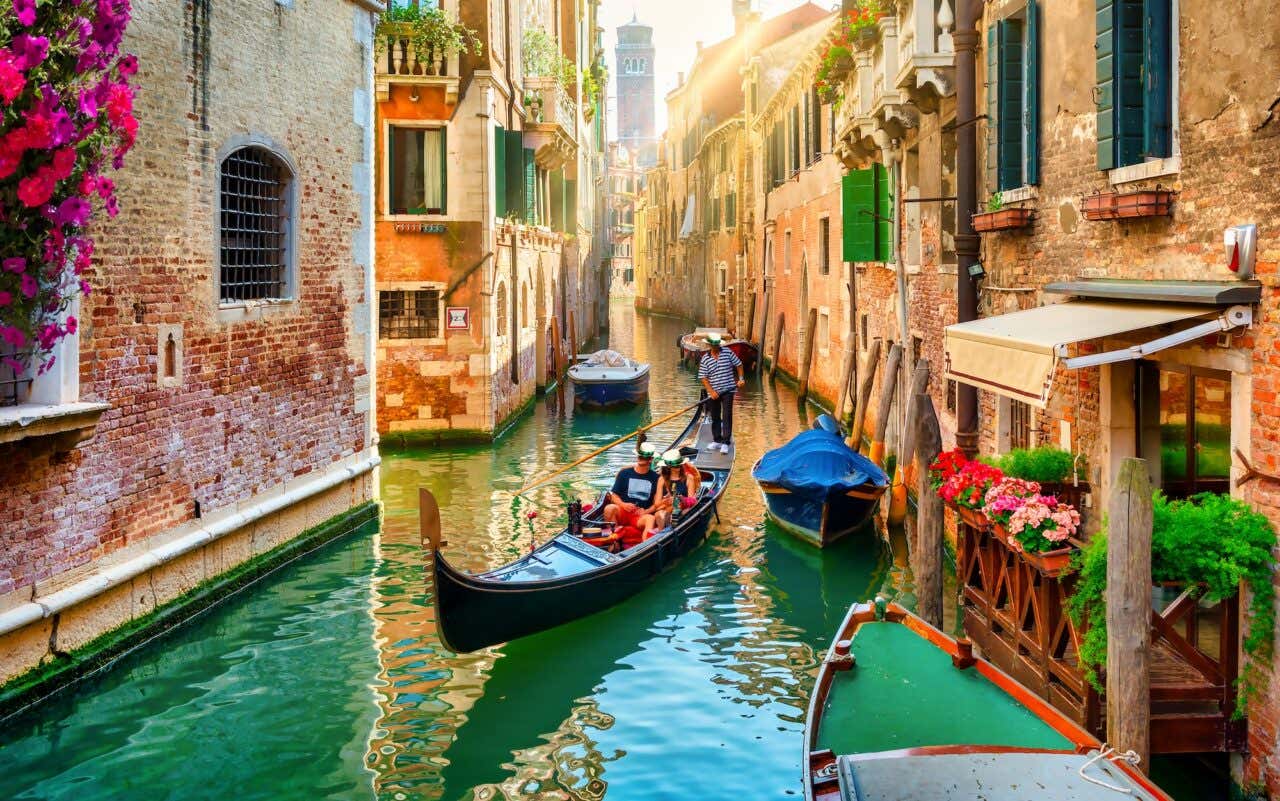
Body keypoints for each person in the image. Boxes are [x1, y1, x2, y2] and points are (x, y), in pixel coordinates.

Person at [697, 331, 745, 453]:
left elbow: (739, 365)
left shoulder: (728, 352)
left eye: (717, 345)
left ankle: (726, 442)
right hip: (713, 393)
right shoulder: (705, 358)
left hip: (728, 389)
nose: (716, 347)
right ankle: (717, 440)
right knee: (715, 416)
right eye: (713, 345)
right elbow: (703, 377)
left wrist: (741, 379)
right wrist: (711, 391)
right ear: (709, 346)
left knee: (727, 415)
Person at [603, 441, 661, 538]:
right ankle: (614, 541)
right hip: (623, 511)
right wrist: (623, 504)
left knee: (650, 519)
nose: (641, 458)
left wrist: (645, 511)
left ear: (651, 459)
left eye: (645, 457)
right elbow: (614, 496)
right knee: (609, 508)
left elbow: (657, 504)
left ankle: (644, 547)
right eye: (640, 456)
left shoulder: (656, 478)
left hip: (640, 515)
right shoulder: (625, 473)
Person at [653, 449, 702, 530]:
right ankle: (663, 534)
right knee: (659, 514)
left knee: (678, 511)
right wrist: (667, 500)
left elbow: (692, 500)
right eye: (675, 465)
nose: (678, 467)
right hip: (670, 507)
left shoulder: (689, 478)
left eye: (679, 464)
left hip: (684, 507)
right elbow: (657, 504)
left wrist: (681, 499)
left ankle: (668, 531)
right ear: (668, 466)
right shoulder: (662, 479)